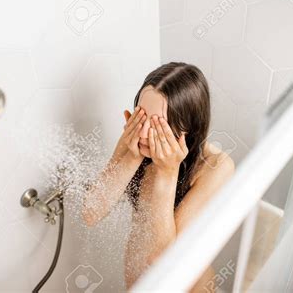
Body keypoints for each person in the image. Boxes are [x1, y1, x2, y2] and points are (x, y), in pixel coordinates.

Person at [82, 62, 235, 292]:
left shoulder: (215, 167)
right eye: (141, 117)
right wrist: (132, 157)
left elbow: (164, 260)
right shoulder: (135, 142)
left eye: (156, 125)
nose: (143, 132)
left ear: (188, 129)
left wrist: (167, 172)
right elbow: (90, 212)